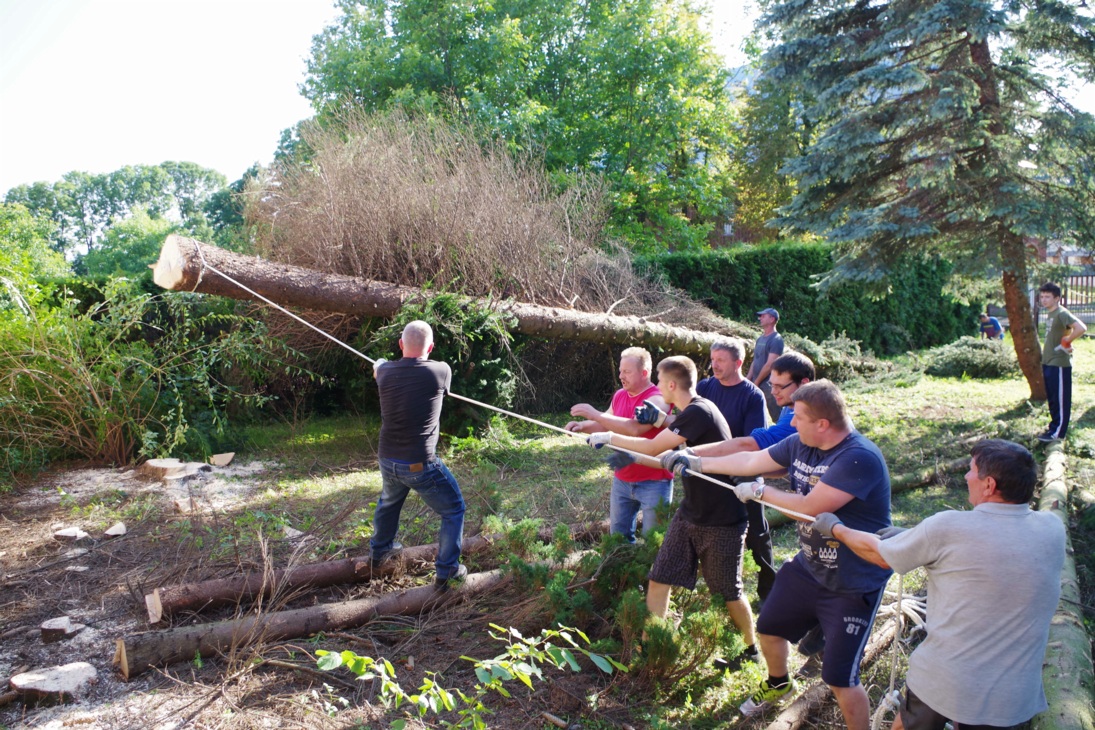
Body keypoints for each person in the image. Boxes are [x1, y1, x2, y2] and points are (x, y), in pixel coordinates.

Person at [661, 380, 891, 730]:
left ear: (823, 424)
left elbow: (809, 510)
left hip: (853, 579)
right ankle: (779, 681)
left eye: (797, 417)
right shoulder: (802, 443)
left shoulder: (858, 457)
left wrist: (761, 491)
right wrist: (694, 459)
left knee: (840, 679)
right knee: (769, 628)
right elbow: (751, 458)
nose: (792, 423)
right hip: (810, 566)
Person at [812, 439, 1065, 730]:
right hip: (1015, 697)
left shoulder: (947, 527)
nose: (967, 477)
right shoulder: (1052, 529)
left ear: (989, 485)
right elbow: (998, 546)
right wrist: (915, 536)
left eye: (972, 471)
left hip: (946, 681)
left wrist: (836, 528)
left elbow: (878, 555)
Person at [587, 356, 758, 658]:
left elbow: (654, 446)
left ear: (670, 384)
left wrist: (609, 436)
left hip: (722, 517)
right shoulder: (689, 413)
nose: (657, 386)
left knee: (727, 591)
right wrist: (624, 451)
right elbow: (661, 456)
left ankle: (751, 648)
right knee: (659, 577)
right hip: (691, 510)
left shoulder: (698, 412)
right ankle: (649, 645)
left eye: (659, 379)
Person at [689, 351, 816, 608]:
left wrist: (692, 455)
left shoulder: (793, 417)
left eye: (781, 386)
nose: (774, 392)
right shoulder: (788, 410)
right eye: (772, 384)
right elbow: (781, 464)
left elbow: (750, 443)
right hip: (806, 520)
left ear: (803, 384)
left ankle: (770, 594)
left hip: (823, 515)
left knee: (758, 534)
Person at [370, 321, 467, 589]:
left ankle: (379, 554)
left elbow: (379, 370)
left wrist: (379, 364)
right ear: (432, 347)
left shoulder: (385, 371)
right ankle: (448, 571)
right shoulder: (440, 370)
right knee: (454, 509)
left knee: (389, 502)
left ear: (400, 344)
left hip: (387, 459)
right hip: (419, 464)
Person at [565, 347, 673, 542]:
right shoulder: (620, 395)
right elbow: (606, 421)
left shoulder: (657, 398)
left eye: (627, 371)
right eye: (621, 370)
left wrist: (594, 414)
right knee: (618, 539)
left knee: (654, 542)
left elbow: (634, 428)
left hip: (654, 481)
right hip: (623, 478)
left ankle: (652, 573)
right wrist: (581, 426)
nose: (621, 376)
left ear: (644, 373)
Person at [1038, 282, 1086, 442]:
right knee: (1052, 398)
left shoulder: (1061, 313)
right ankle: (1053, 428)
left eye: (1048, 297)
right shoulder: (1050, 314)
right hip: (1048, 361)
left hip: (1059, 363)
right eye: (1042, 296)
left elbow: (1081, 328)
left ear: (1057, 298)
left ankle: (1058, 433)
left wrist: (1067, 341)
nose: (1044, 300)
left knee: (1060, 399)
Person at [748, 307, 785, 421]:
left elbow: (770, 364)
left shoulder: (776, 339)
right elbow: (756, 360)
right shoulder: (760, 339)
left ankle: (786, 435)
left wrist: (757, 382)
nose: (760, 318)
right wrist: (748, 379)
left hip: (769, 385)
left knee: (777, 416)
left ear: (772, 319)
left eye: (763, 316)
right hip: (756, 382)